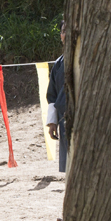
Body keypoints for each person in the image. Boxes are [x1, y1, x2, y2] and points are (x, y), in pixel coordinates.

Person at [46, 20, 68, 174]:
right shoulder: (59, 64)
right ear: (61, 36)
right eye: (64, 31)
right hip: (64, 118)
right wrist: (52, 122)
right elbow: (52, 95)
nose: (67, 34)